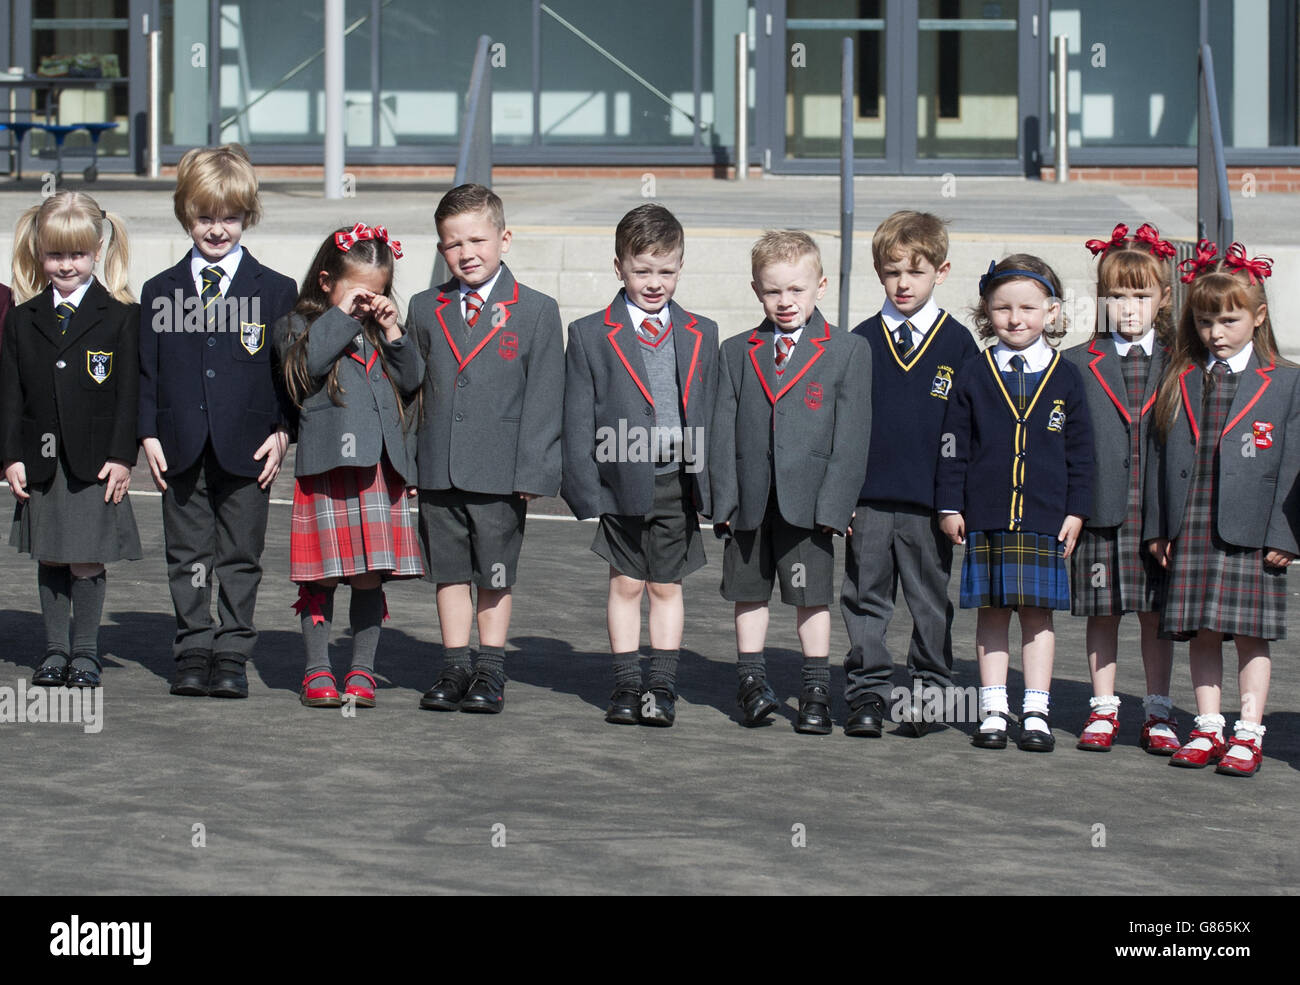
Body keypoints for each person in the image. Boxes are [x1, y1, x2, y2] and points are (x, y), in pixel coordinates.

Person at [137, 143, 297, 698]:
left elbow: (286, 374)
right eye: (205, 216)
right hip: (179, 447)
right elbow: (146, 371)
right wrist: (147, 432)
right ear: (186, 214)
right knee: (186, 555)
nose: (217, 229)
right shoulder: (159, 291)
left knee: (240, 555)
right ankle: (192, 647)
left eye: (229, 217)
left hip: (249, 448)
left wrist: (283, 430)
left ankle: (232, 651)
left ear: (246, 215)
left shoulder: (276, 290)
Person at [408, 183, 564, 714]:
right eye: (452, 243)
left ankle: (490, 671)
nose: (466, 253)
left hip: (500, 472)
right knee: (448, 572)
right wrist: (409, 463)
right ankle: (454, 668)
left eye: (477, 239)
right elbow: (413, 390)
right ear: (439, 249)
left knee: (494, 575)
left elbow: (545, 398)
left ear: (505, 238)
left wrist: (534, 469)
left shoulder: (537, 312)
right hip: (438, 466)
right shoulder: (424, 307)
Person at [1146, 241, 1299, 777]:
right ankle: (1208, 725)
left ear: (1258, 318)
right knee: (1202, 630)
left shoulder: (1286, 381)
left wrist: (1286, 533)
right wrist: (1160, 527)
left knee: (1251, 634)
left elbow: (1292, 466)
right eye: (1206, 320)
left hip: (1254, 532)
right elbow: (1160, 459)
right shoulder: (1182, 376)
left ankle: (1249, 731)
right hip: (1191, 528)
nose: (1216, 331)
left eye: (1229, 319)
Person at [562, 204, 718, 727]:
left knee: (667, 586)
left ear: (680, 267)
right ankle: (627, 685)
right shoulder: (589, 333)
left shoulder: (702, 331)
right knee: (626, 584)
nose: (654, 283)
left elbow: (712, 411)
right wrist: (585, 493)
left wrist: (715, 490)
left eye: (666, 271)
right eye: (642, 271)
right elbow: (578, 415)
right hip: (620, 477)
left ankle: (662, 688)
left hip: (678, 478)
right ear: (619, 267)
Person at [710, 230, 871, 734]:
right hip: (750, 503)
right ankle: (752, 684)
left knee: (810, 599)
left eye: (796, 290)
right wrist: (723, 499)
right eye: (773, 290)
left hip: (811, 505)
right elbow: (721, 429)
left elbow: (852, 438)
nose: (785, 302)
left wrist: (836, 503)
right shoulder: (737, 351)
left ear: (820, 286)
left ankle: (817, 692)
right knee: (749, 595)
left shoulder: (848, 351)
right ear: (756, 290)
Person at [936, 255, 1093, 752]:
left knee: (1038, 615)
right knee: (992, 612)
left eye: (1028, 307)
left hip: (1046, 517)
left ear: (1051, 312)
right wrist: (948, 505)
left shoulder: (1067, 378)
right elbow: (953, 444)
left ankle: (1036, 710)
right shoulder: (974, 373)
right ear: (987, 312)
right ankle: (993, 709)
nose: (1015, 318)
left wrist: (1076, 510)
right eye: (1002, 308)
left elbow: (1081, 452)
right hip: (986, 514)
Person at [274, 224, 424, 709]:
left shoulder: (381, 332)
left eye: (378, 292)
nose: (369, 302)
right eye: (360, 291)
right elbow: (305, 368)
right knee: (319, 576)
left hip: (378, 470)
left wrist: (393, 329)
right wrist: (341, 316)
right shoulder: (298, 324)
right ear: (325, 281)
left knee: (368, 575)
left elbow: (412, 379)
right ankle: (317, 671)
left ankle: (362, 671)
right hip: (328, 468)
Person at [842, 210, 977, 737]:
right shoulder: (858, 342)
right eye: (893, 271)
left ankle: (930, 693)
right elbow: (845, 429)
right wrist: (842, 499)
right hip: (869, 501)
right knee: (864, 599)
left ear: (940, 272)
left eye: (915, 272)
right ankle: (868, 694)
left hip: (930, 504)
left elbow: (965, 434)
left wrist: (954, 502)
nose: (903, 283)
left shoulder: (959, 345)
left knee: (929, 600)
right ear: (879, 273)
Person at [1, 191, 140, 688]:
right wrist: (10, 457)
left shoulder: (122, 315)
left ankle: (85, 652)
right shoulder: (22, 319)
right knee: (52, 554)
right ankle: (54, 651)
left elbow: (129, 395)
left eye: (77, 255)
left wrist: (123, 457)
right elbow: (10, 394)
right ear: (40, 254)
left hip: (95, 462)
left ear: (97, 252)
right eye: (56, 254)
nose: (66, 265)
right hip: (41, 462)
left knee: (85, 557)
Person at [1065, 222, 1178, 753]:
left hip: (1159, 511)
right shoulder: (1078, 363)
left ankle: (1158, 711)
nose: (1128, 307)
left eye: (1141, 295)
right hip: (1102, 509)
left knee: (1157, 615)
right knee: (1102, 610)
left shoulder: (1183, 364)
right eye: (1115, 296)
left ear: (1163, 298)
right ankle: (1103, 707)